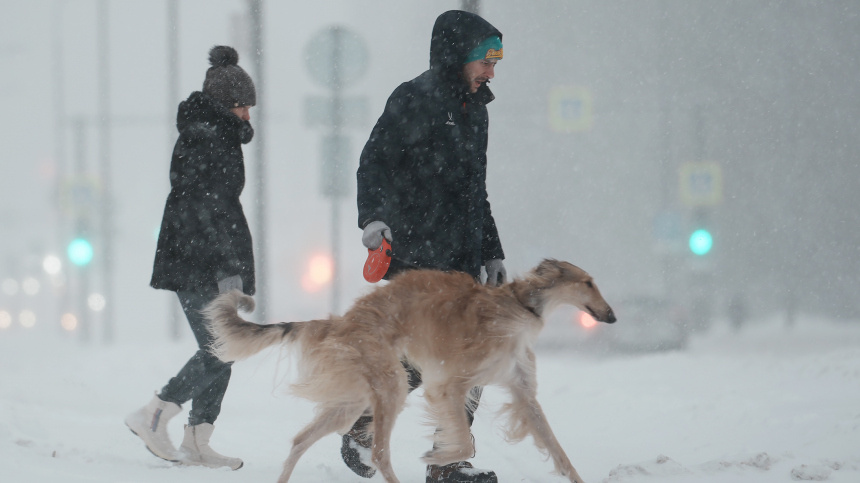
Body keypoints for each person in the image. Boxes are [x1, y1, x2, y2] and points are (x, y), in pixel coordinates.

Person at [347, 10, 507, 483]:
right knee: (416, 361)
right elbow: (372, 164)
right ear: (458, 54)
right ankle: (363, 423)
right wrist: (375, 220)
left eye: (497, 62)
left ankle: (448, 461)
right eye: (486, 60)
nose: (492, 72)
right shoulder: (413, 98)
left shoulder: (476, 109)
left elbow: (476, 191)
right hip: (416, 256)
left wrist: (491, 250)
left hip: (462, 261)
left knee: (476, 358)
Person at [125, 45, 256, 471]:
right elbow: (208, 207)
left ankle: (198, 440)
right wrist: (227, 269)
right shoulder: (207, 137)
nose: (247, 117)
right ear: (225, 105)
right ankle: (156, 412)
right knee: (220, 347)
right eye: (242, 107)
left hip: (201, 257)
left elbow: (216, 206)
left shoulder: (211, 133)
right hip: (199, 261)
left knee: (225, 348)